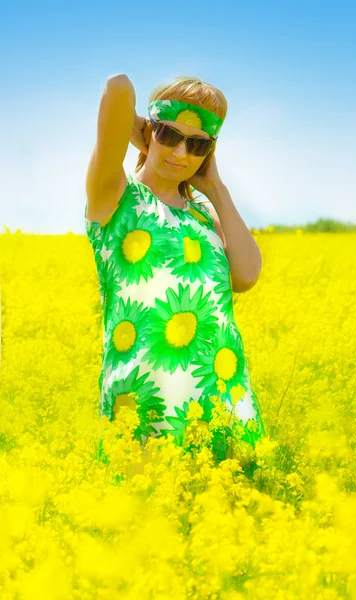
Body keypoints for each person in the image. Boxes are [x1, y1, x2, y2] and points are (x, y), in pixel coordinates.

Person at [84, 74, 266, 462]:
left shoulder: (204, 214)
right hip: (147, 406)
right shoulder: (114, 195)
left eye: (197, 144)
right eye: (170, 136)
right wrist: (143, 133)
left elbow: (247, 275)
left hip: (224, 404)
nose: (181, 153)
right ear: (149, 130)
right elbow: (117, 89)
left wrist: (215, 188)